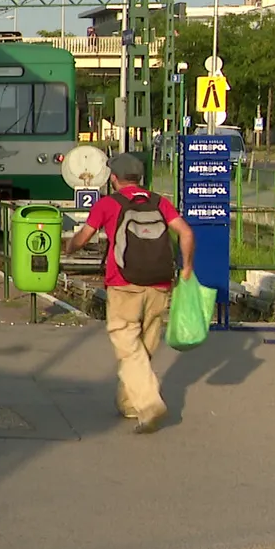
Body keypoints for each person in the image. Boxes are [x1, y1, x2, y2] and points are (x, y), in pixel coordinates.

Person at [63, 153, 195, 434]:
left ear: (114, 178)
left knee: (127, 344)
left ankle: (148, 404)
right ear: (140, 177)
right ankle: (128, 402)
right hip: (160, 284)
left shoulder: (109, 204)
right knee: (143, 348)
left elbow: (84, 236)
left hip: (124, 284)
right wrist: (186, 267)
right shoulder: (159, 202)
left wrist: (70, 247)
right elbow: (185, 232)